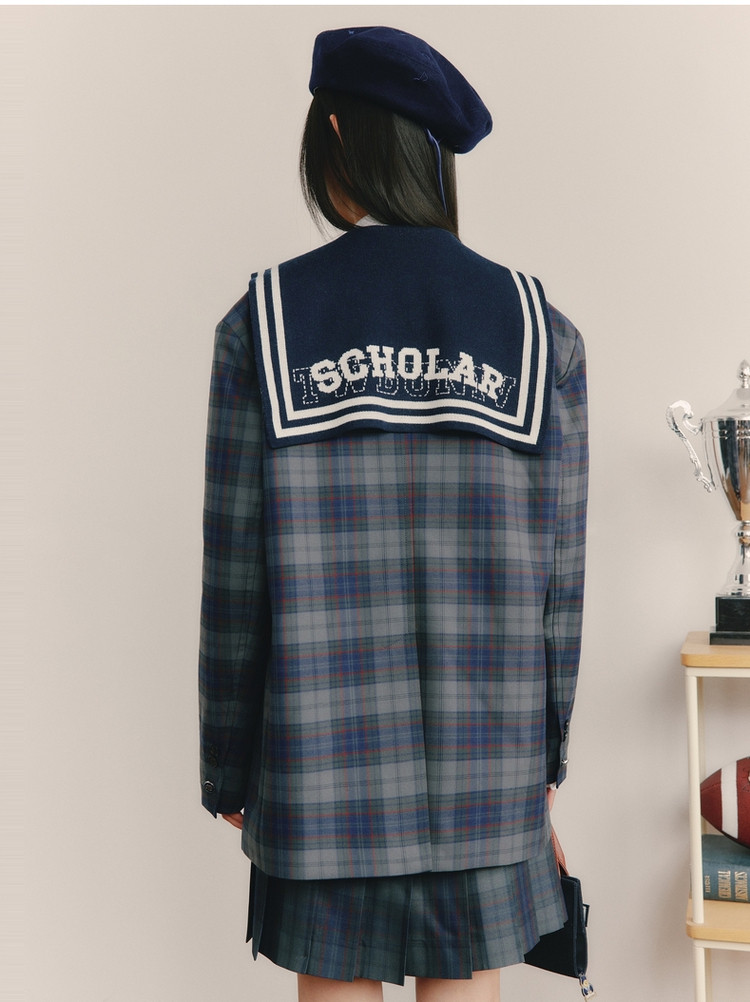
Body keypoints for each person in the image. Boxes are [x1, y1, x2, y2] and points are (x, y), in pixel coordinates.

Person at [199, 26, 588, 1002]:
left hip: (316, 762)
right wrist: (544, 757)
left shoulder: (264, 324)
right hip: (489, 760)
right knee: (465, 978)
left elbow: (235, 578)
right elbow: (561, 579)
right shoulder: (539, 331)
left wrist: (227, 768)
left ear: (336, 133)